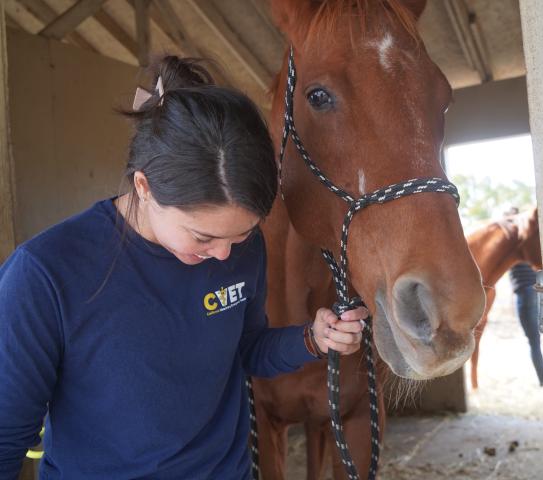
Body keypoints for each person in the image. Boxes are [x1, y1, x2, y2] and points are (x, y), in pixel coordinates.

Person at [0, 56, 366, 479]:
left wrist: (312, 338)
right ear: (144, 186)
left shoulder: (242, 251)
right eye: (202, 237)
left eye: (241, 234)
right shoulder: (44, 275)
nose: (224, 256)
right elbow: (7, 434)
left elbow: (245, 349)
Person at [505, 208, 543, 386]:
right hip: (535, 291)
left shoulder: (511, 244)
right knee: (537, 339)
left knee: (534, 341)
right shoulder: (529, 239)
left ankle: (542, 381)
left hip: (525, 293)